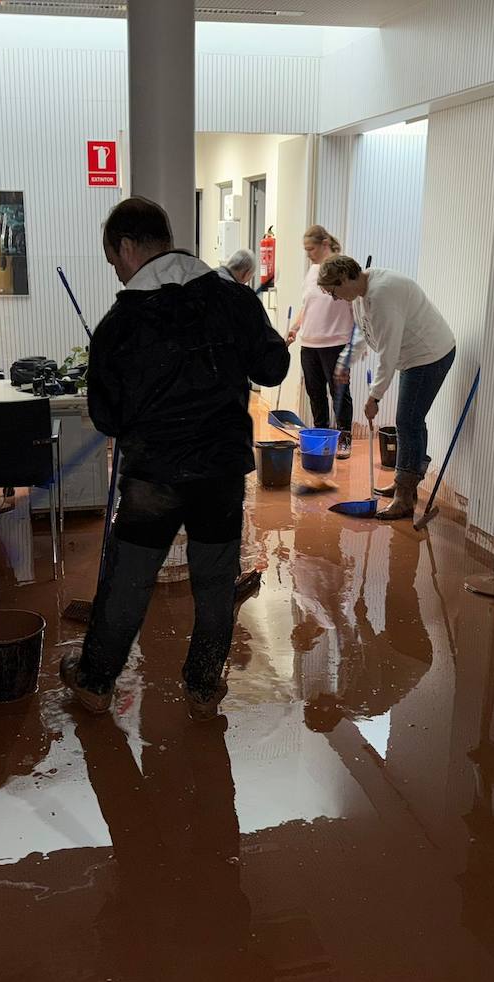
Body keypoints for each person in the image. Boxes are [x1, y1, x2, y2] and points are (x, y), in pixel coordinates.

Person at [61, 197, 290, 719]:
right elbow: (273, 367)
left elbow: (107, 419)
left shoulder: (119, 324)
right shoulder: (232, 298)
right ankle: (205, 686)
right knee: (214, 582)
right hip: (219, 472)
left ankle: (95, 683)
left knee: (129, 578)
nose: (117, 273)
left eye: (113, 261)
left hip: (154, 478)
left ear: (126, 246)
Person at [317, 254, 456, 521]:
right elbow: (363, 332)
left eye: (334, 292)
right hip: (411, 355)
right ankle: (406, 482)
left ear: (345, 278)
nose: (335, 298)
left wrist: (374, 397)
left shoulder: (383, 295)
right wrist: (346, 361)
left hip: (430, 354)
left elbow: (387, 354)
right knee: (412, 420)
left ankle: (404, 496)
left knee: (408, 420)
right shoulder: (359, 295)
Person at [285, 225, 354, 460]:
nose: (308, 254)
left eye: (310, 248)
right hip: (309, 343)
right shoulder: (312, 271)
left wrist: (356, 343)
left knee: (339, 393)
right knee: (315, 394)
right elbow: (307, 306)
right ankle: (320, 438)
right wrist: (294, 329)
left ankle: (344, 442)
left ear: (325, 243)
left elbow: (353, 301)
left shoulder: (343, 267)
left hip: (336, 342)